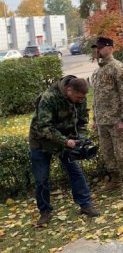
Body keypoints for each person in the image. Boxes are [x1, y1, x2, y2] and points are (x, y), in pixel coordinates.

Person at [29, 76, 100, 227]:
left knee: (76, 172)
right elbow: (44, 127)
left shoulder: (80, 98)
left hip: (66, 140)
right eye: (78, 97)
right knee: (41, 179)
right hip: (41, 141)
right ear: (69, 90)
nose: (81, 100)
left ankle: (85, 205)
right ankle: (45, 212)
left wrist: (80, 139)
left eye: (83, 98)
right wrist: (65, 141)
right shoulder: (49, 98)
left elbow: (82, 122)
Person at [91, 36, 123, 200]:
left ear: (110, 48)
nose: (98, 50)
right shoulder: (97, 72)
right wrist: (94, 119)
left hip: (116, 120)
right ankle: (115, 179)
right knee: (108, 152)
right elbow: (95, 97)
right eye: (97, 47)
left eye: (101, 47)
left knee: (122, 152)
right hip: (103, 121)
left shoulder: (117, 68)